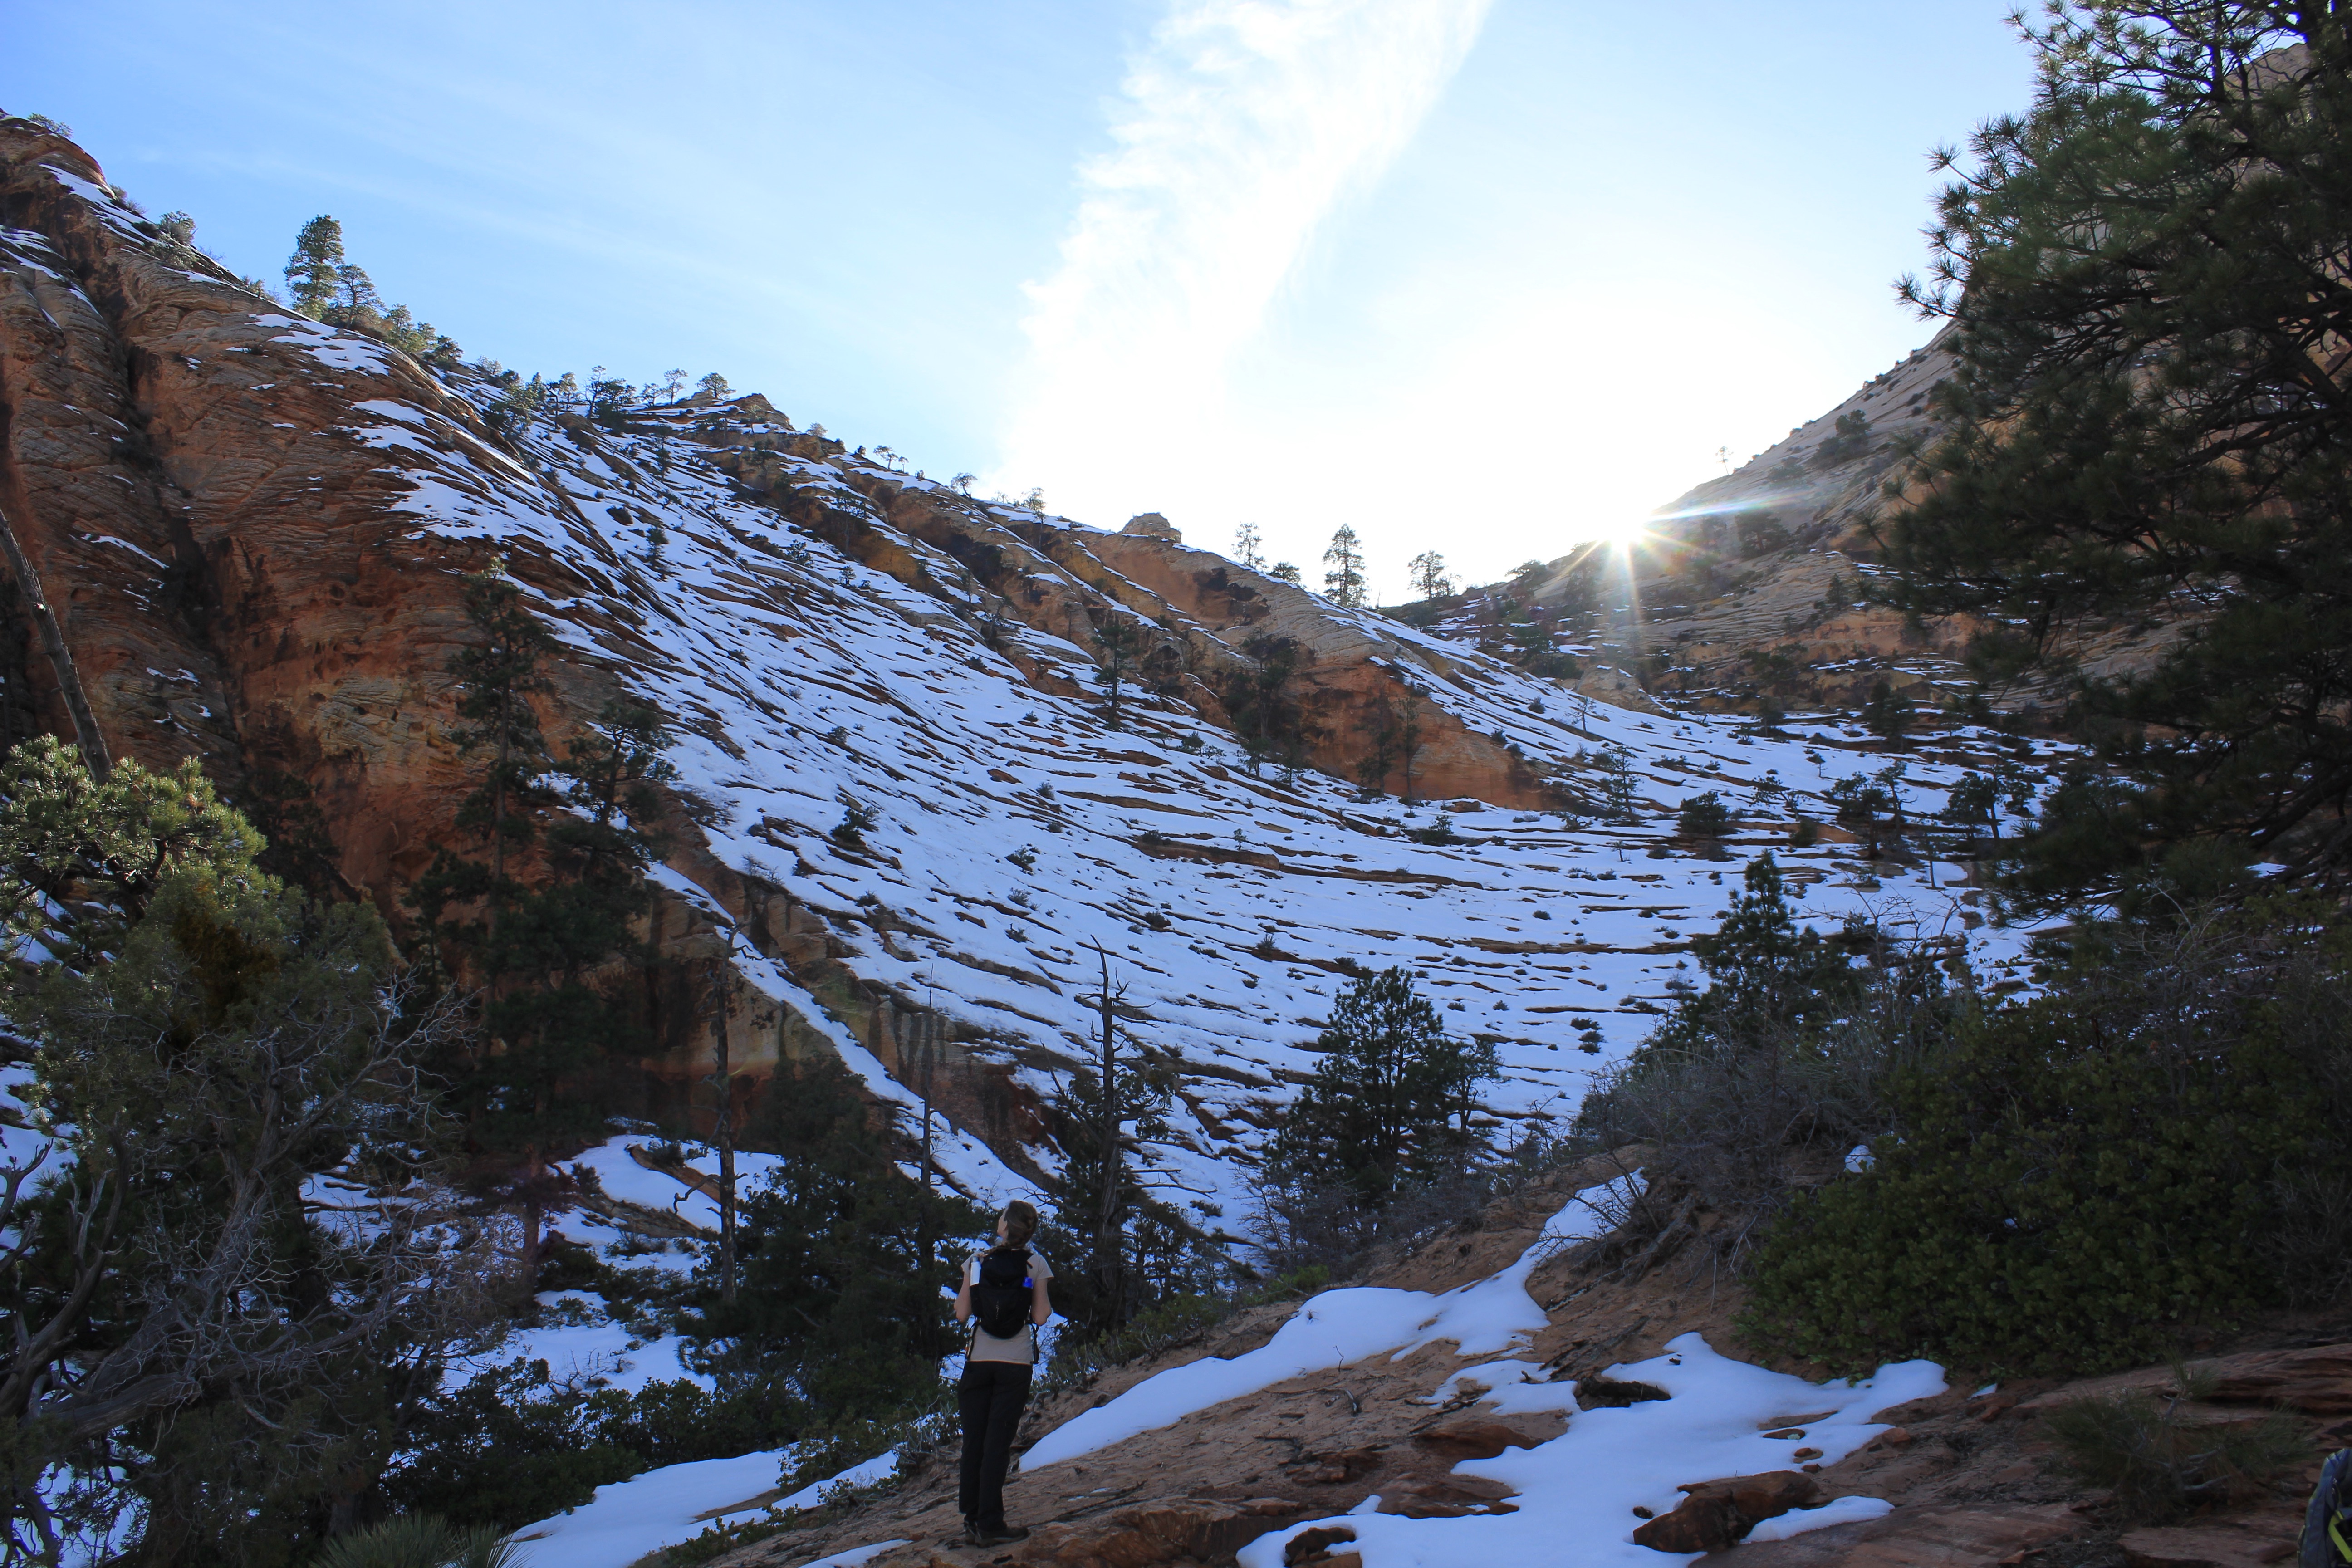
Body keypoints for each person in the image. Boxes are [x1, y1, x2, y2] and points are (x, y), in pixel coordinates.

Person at [952, 1200, 1053, 1547]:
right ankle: (991, 1524)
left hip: (978, 1361)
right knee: (998, 1444)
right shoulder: (1035, 1263)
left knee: (975, 1442)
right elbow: (1040, 1317)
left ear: (1006, 1227)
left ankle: (972, 1519)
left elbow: (962, 1314)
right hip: (1015, 1364)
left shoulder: (977, 1262)